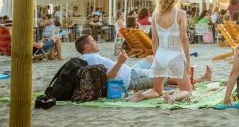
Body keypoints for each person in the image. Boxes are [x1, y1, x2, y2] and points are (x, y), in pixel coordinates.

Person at [128, 0, 193, 104]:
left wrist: (157, 57)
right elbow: (184, 39)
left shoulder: (155, 15)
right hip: (175, 55)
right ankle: (172, 98)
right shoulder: (180, 14)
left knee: (157, 90)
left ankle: (142, 95)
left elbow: (154, 40)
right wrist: (188, 60)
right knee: (187, 89)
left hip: (160, 55)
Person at [76, 34, 211, 92]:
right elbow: (106, 78)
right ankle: (197, 80)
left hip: (128, 70)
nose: (96, 42)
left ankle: (179, 74)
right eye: (93, 41)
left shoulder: (90, 57)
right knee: (161, 74)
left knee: (151, 59)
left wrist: (121, 63)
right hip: (130, 79)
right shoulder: (92, 60)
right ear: (86, 47)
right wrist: (119, 62)